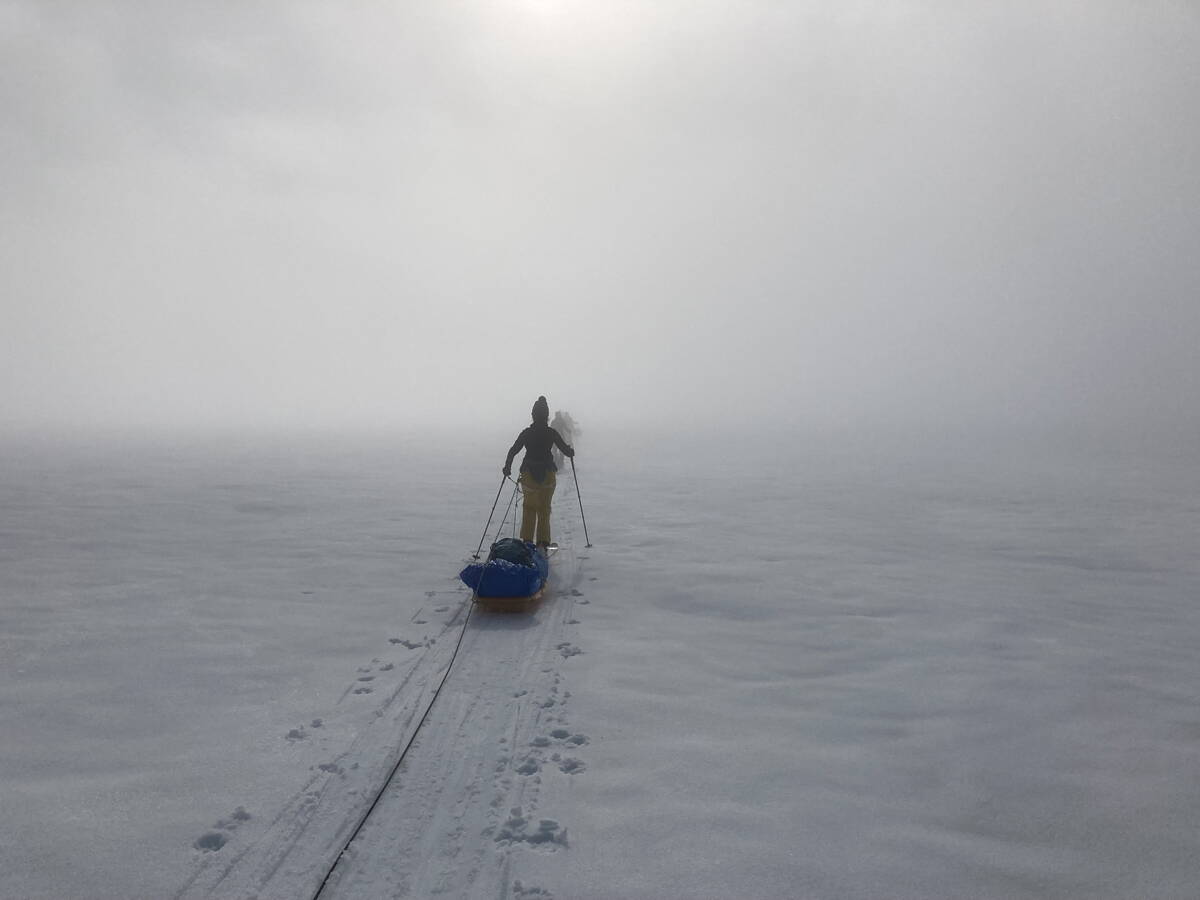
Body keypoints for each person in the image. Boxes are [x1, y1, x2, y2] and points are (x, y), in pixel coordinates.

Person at [503, 396, 574, 548]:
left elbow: (513, 450)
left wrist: (507, 467)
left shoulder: (527, 433)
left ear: (533, 415)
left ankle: (527, 542)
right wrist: (570, 451)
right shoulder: (551, 433)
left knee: (529, 507)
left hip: (529, 474)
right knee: (544, 508)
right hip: (548, 475)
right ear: (547, 416)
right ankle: (543, 543)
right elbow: (565, 451)